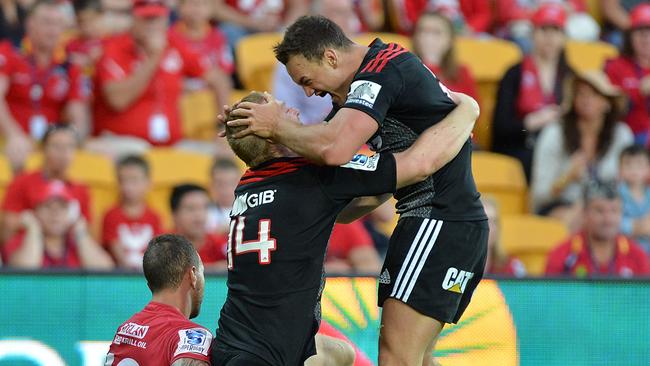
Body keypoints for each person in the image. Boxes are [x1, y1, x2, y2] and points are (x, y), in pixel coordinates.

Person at [225, 16, 487, 365]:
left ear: (331, 58)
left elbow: (336, 151)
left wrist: (274, 127)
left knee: (397, 356)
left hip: (439, 217)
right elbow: (349, 189)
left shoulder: (381, 71)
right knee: (416, 357)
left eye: (306, 80)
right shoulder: (354, 95)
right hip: (435, 219)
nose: (307, 93)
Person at [88, 0, 231, 158]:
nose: (152, 25)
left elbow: (219, 79)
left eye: (157, 19)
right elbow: (117, 100)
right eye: (147, 19)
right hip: (121, 141)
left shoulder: (174, 44)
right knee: (139, 156)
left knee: (223, 155)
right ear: (133, 20)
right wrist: (154, 57)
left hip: (171, 145)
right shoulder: (114, 48)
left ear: (166, 20)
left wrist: (221, 126)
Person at [531, 71, 633, 229]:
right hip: (562, 207)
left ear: (607, 103)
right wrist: (567, 177)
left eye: (593, 94)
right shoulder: (554, 133)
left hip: (611, 208)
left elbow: (631, 184)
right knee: (586, 219)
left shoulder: (622, 135)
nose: (586, 99)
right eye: (581, 94)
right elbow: (539, 194)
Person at [0, 0, 89, 170]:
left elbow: (78, 114)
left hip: (51, 143)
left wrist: (69, 142)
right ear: (30, 24)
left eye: (58, 24)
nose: (53, 30)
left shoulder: (70, 64)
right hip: (9, 138)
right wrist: (13, 135)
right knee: (17, 157)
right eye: (47, 22)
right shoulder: (10, 52)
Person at [492, 3, 574, 181]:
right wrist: (530, 122)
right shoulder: (514, 73)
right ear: (533, 33)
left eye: (556, 30)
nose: (550, 37)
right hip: (522, 147)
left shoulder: (570, 76)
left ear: (564, 36)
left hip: (559, 147)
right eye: (544, 29)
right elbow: (499, 127)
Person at [105, 234, 212, 365]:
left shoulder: (125, 330)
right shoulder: (191, 336)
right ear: (193, 275)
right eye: (202, 272)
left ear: (150, 284)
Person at [272, 0, 360, 125]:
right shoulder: (292, 62)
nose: (349, 20)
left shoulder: (363, 58)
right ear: (320, 21)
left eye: (350, 12)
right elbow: (284, 116)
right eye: (340, 13)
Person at [1, 124, 91, 243]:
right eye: (57, 146)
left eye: (70, 146)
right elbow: (6, 227)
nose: (64, 153)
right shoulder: (22, 182)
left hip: (66, 253)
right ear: (43, 149)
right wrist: (39, 222)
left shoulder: (81, 188)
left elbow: (87, 232)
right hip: (29, 248)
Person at [545, 180, 650, 277]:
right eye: (599, 211)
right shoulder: (563, 254)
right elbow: (549, 295)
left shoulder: (637, 256)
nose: (608, 219)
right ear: (584, 213)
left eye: (614, 211)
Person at [2, 180, 114, 269]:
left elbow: (104, 270)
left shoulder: (78, 244)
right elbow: (24, 271)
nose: (55, 213)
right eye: (48, 206)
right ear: (36, 212)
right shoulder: (19, 242)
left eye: (62, 207)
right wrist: (33, 229)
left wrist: (80, 232)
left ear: (71, 214)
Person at [102, 155, 163, 269]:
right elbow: (119, 256)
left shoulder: (155, 217)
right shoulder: (111, 215)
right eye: (122, 180)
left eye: (134, 180)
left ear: (148, 183)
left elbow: (157, 252)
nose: (127, 187)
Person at [604, 3, 650, 145]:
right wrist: (638, 92)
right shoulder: (615, 66)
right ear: (629, 36)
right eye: (640, 32)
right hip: (629, 138)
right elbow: (611, 109)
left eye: (649, 31)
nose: (645, 38)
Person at [412, 10, 479, 102]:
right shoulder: (405, 70)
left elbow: (475, 110)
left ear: (450, 40)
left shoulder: (462, 72)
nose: (428, 37)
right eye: (423, 30)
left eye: (436, 32)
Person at [169, 0, 234, 92]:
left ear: (212, 10)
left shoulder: (218, 36)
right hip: (183, 88)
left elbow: (225, 70)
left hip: (212, 88)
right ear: (180, 8)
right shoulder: (169, 36)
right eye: (191, 4)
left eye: (203, 4)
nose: (197, 8)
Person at [171, 183, 228, 270]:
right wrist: (214, 269)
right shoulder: (163, 246)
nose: (199, 215)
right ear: (175, 214)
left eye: (205, 207)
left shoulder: (220, 244)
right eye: (191, 208)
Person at [212, 0, 308, 48]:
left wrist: (285, 30)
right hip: (241, 29)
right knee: (228, 31)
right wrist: (251, 22)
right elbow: (215, 8)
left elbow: (298, 6)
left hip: (277, 29)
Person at [617, 144, 650, 253]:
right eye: (628, 164)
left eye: (639, 165)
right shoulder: (616, 194)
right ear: (619, 169)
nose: (634, 170)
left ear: (648, 168)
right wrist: (635, 227)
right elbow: (613, 221)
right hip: (626, 249)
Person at [482, 196, 526, 277]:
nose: (488, 227)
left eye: (493, 221)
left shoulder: (513, 267)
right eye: (483, 221)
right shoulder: (456, 266)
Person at [66, 0, 105, 75]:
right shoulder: (71, 44)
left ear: (102, 17)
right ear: (76, 21)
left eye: (92, 20)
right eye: (83, 22)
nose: (88, 27)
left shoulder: (110, 43)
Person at [206, 158, 240, 235]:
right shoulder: (204, 213)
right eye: (220, 184)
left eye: (231, 183)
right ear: (210, 186)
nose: (226, 189)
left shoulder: (252, 210)